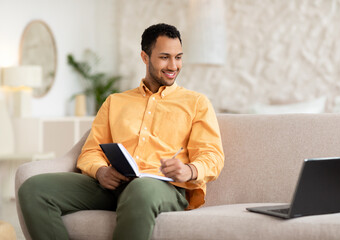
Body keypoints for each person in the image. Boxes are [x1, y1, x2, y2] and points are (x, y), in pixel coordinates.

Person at [19, 23, 224, 240]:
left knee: (141, 189)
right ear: (145, 57)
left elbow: (212, 155)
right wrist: (100, 171)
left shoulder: (196, 103)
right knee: (33, 188)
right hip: (113, 185)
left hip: (163, 188)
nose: (173, 65)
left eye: (178, 57)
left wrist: (188, 170)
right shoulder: (115, 102)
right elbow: (90, 151)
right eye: (164, 57)